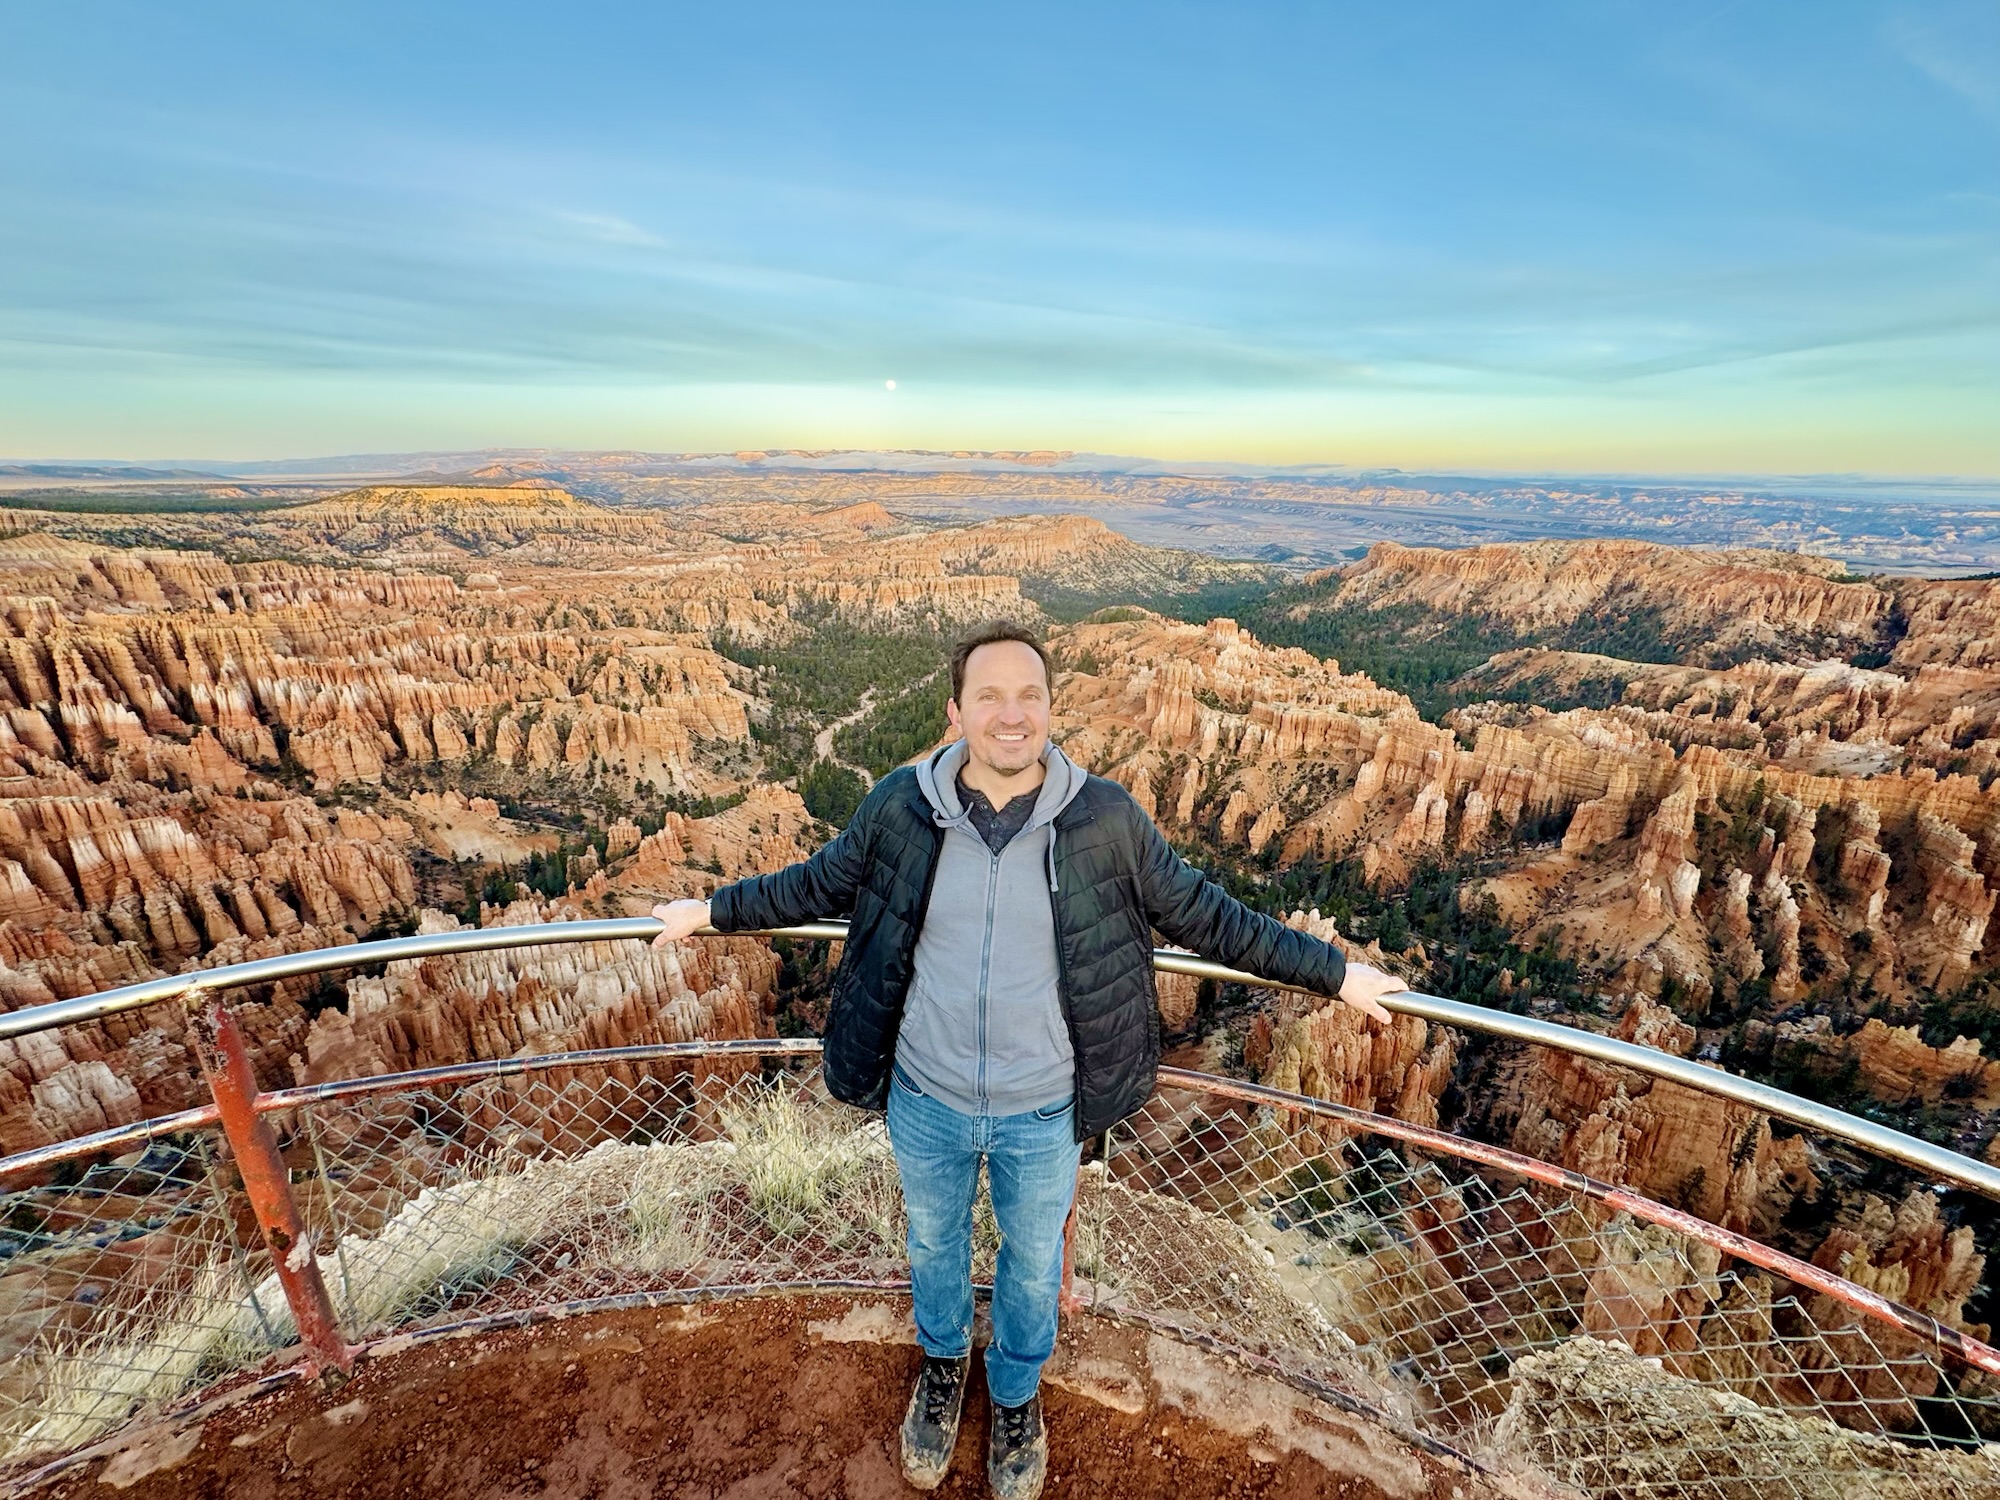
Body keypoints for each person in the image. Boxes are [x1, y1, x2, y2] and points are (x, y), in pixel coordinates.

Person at [652, 620, 1403, 1500]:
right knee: (933, 1243)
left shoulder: (1106, 821)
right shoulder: (900, 806)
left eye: (1029, 696)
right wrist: (710, 911)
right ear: (956, 711)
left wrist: (1334, 973)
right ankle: (941, 1370)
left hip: (1044, 1107)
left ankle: (1013, 1397)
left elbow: (1208, 917)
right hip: (925, 1095)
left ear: (1051, 708)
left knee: (1033, 1265)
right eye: (990, 696)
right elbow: (815, 882)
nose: (1011, 715)